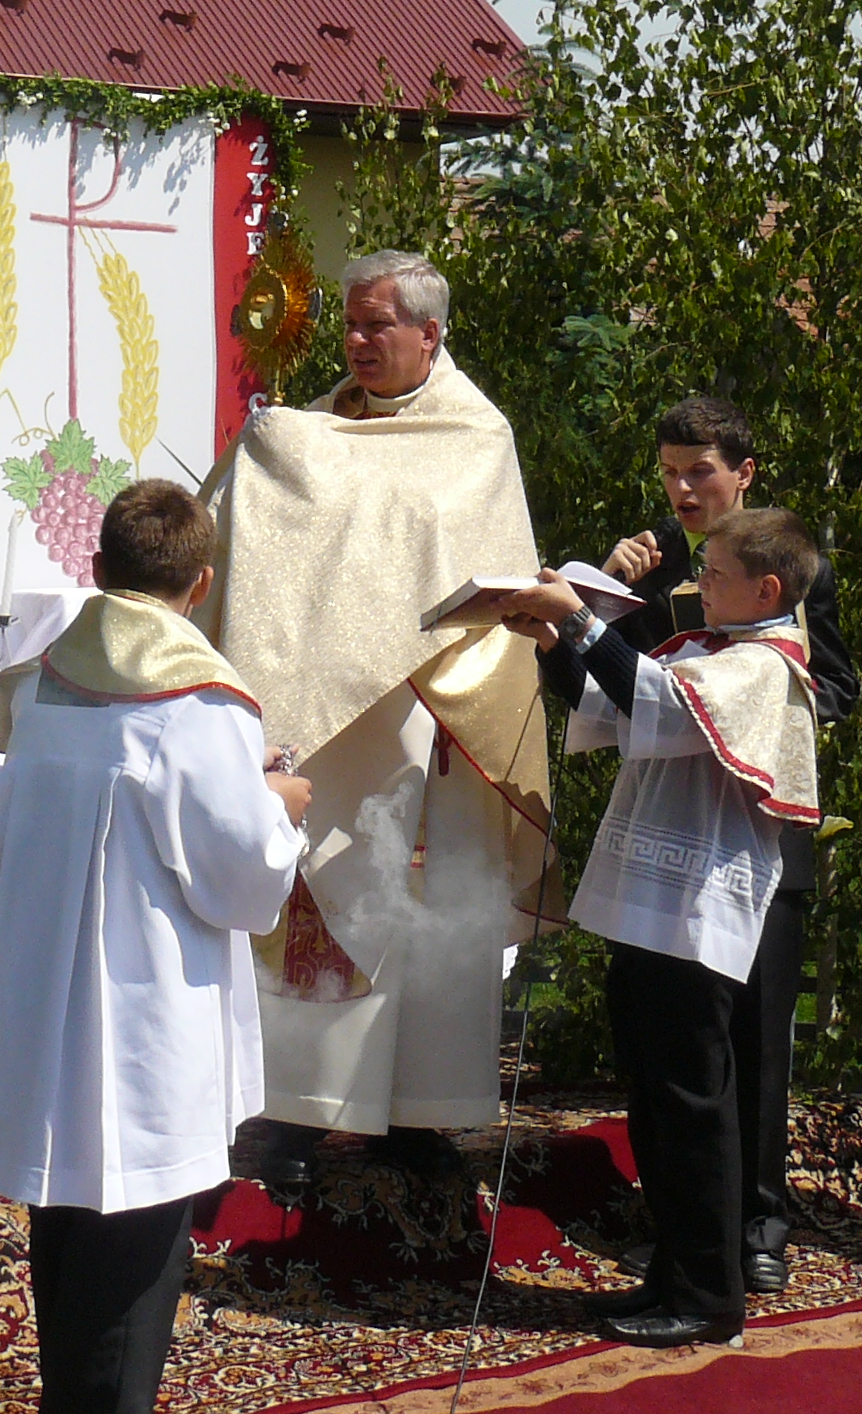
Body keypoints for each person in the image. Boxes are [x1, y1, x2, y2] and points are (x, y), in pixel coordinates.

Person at [200, 251, 563, 1190]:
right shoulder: (308, 434)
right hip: (326, 726)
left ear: (429, 334)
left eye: (378, 325)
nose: (358, 341)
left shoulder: (476, 437)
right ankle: (300, 1110)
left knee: (430, 909)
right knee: (322, 901)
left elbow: (488, 585)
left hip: (431, 713)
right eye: (351, 325)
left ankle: (420, 1113)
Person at [0, 480, 311, 1414]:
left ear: (97, 569)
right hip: (144, 1024)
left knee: (67, 1236)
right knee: (133, 1262)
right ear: (202, 583)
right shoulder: (201, 702)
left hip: (47, 1006)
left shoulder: (38, 685)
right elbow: (240, 877)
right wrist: (278, 809)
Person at [502, 506, 824, 1352]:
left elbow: (670, 707)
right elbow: (611, 702)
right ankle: (674, 1272)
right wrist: (553, 641)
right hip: (654, 901)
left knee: (693, 1102)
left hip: (697, 908)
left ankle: (712, 1295)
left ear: (767, 589)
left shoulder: (765, 662)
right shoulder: (709, 650)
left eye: (713, 573)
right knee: (654, 1097)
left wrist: (581, 617)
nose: (697, 584)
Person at [593, 394, 857, 1295]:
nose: (682, 490)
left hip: (757, 836)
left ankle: (758, 1225)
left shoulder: (785, 565)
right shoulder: (656, 565)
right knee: (677, 1050)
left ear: (744, 473)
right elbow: (631, 688)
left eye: (699, 471)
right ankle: (686, 1229)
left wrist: (765, 712)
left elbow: (836, 684)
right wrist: (608, 595)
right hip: (677, 835)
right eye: (669, 473)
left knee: (754, 1043)